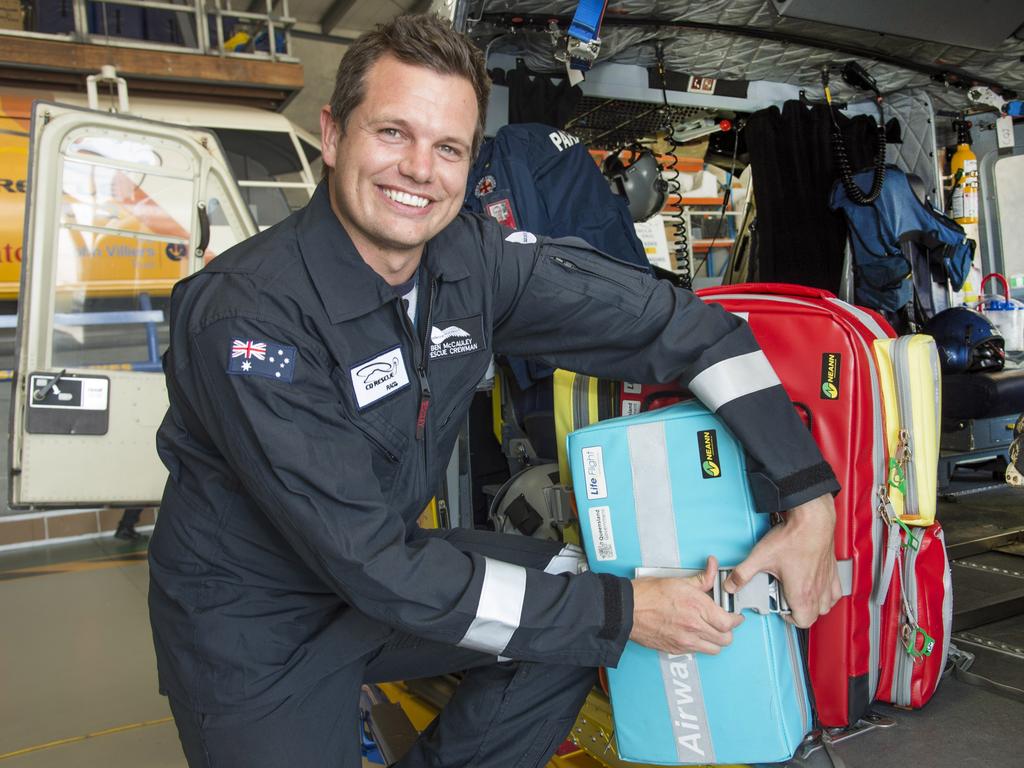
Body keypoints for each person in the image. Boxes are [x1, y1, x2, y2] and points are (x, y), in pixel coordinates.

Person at [148, 13, 842, 767]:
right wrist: (627, 612)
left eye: (448, 147)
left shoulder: (468, 260)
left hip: (380, 582)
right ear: (332, 134)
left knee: (577, 600)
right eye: (392, 133)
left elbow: (689, 327)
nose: (420, 169)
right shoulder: (249, 317)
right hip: (258, 629)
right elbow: (371, 562)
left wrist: (810, 497)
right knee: (599, 611)